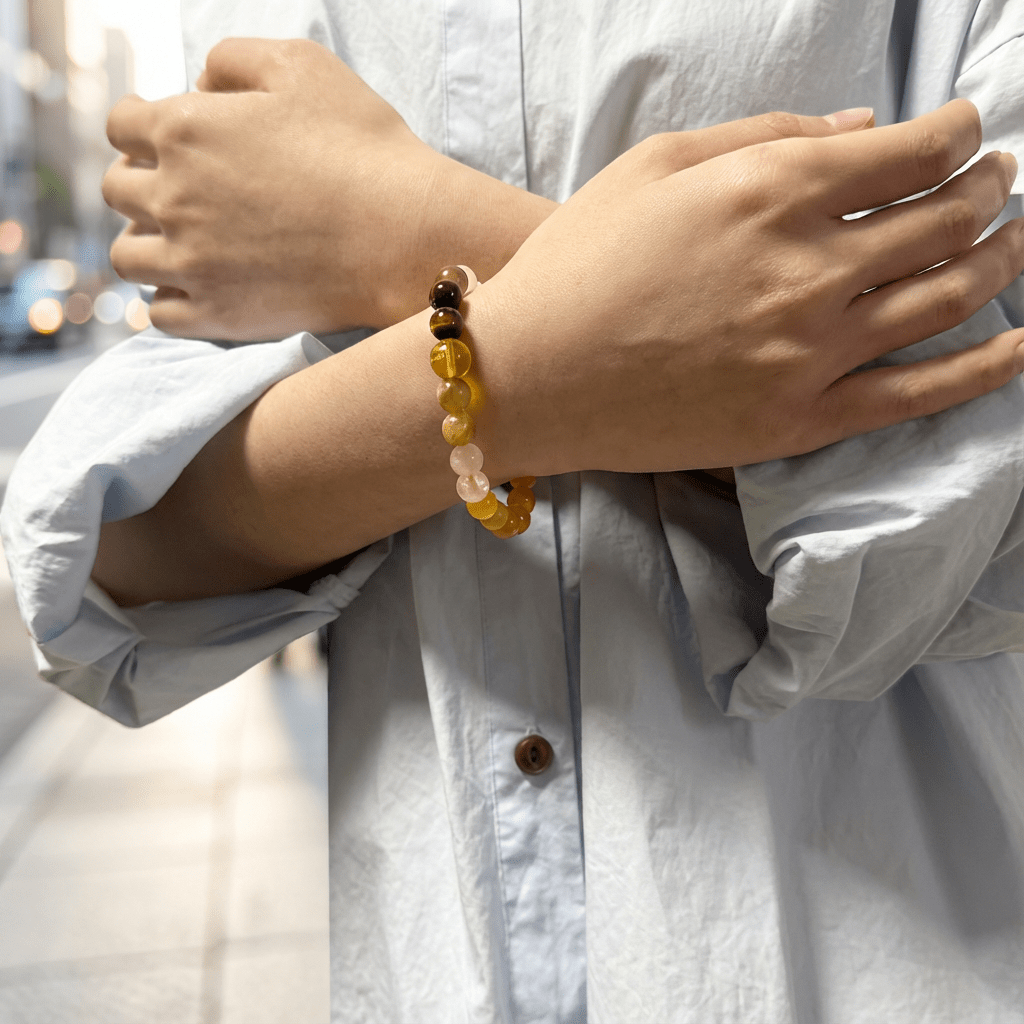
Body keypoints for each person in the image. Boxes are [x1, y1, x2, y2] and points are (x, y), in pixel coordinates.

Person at [3, 0, 1024, 1020]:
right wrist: (571, 346)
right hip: (426, 959)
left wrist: (396, 233)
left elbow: (995, 450)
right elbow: (119, 558)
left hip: (899, 953)